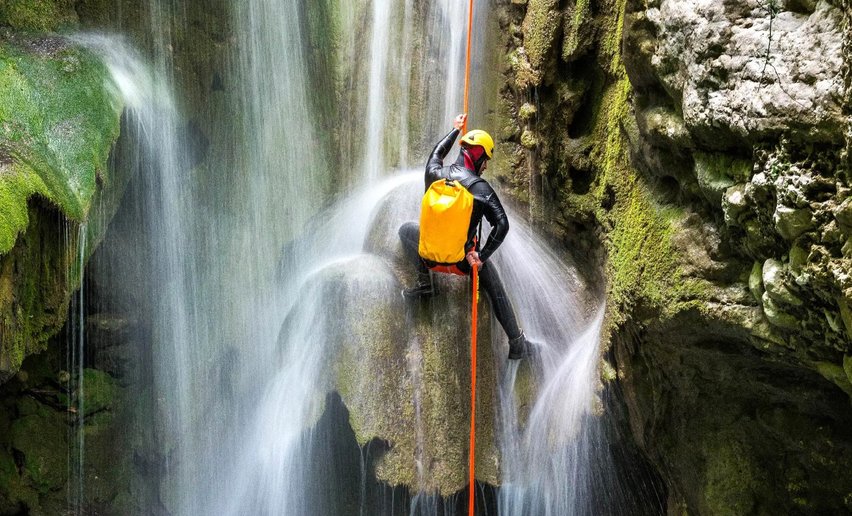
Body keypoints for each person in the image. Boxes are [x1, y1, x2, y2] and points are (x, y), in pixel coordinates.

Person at [399, 113, 538, 360]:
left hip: (430, 257)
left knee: (405, 231)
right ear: (477, 155)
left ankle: (424, 283)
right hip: (463, 263)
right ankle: (517, 343)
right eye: (485, 159)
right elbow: (502, 225)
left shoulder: (433, 174)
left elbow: (436, 154)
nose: (485, 166)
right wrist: (481, 256)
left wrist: (455, 130)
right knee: (496, 288)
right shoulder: (479, 188)